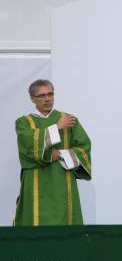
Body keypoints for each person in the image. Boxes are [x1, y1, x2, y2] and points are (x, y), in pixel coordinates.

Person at [14, 79, 92, 226]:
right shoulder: (24, 122)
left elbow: (84, 147)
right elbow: (27, 147)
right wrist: (56, 128)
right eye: (41, 95)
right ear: (32, 99)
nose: (47, 99)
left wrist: (63, 154)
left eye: (50, 94)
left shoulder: (68, 119)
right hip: (35, 179)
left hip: (62, 179)